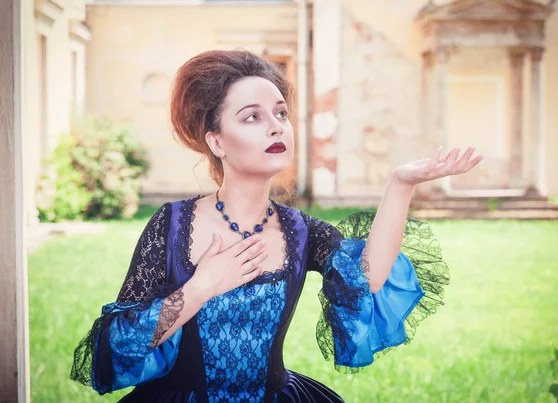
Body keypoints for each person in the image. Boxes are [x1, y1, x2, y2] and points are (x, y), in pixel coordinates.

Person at [70, 49, 483, 402]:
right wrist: (201, 286)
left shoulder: (302, 232)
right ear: (216, 141)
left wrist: (400, 183)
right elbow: (117, 347)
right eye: (252, 117)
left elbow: (369, 280)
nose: (275, 125)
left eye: (280, 113)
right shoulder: (173, 224)